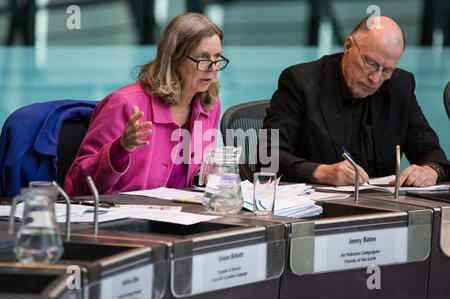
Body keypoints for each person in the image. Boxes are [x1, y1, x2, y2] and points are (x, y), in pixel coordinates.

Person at [262, 16, 448, 187]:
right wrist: (320, 172)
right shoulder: (300, 81)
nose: (375, 78)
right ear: (348, 45)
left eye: (386, 70)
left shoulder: (400, 86)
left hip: (384, 209)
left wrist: (431, 170)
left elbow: (430, 149)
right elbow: (267, 156)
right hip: (317, 209)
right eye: (370, 63)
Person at [64, 13, 229, 196]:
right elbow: (79, 185)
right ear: (175, 58)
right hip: (125, 218)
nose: (213, 68)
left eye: (217, 58)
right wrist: (120, 149)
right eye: (203, 58)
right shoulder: (124, 104)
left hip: (182, 217)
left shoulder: (209, 106)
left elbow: (194, 179)